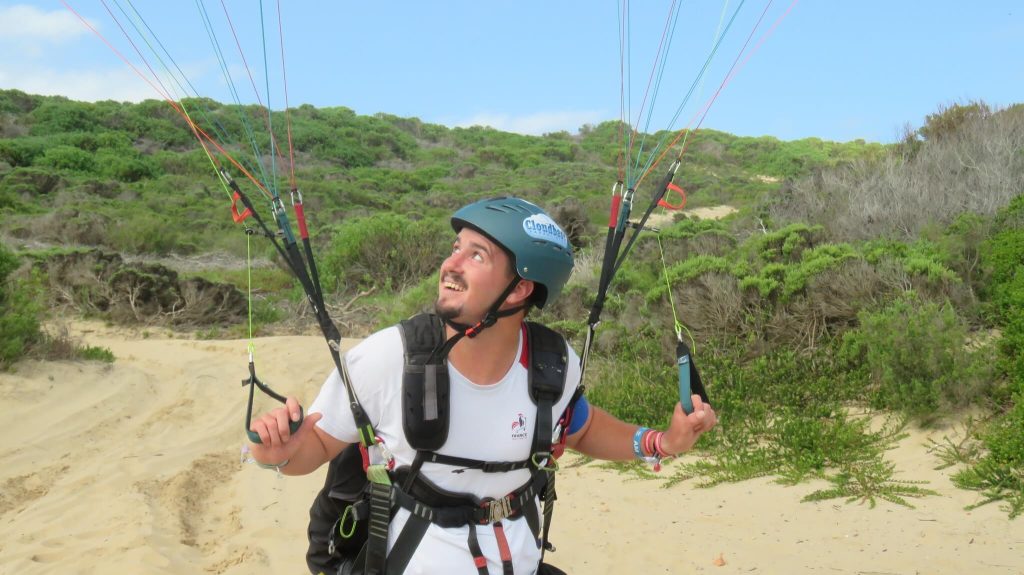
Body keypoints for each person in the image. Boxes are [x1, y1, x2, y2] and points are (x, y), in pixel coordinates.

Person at [248, 196, 718, 575]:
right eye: (456, 247)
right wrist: (276, 452)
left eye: (477, 255)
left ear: (520, 289)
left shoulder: (551, 364)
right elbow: (314, 448)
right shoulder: (389, 357)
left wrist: (661, 442)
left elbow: (581, 427)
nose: (451, 264)